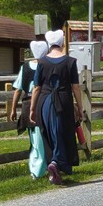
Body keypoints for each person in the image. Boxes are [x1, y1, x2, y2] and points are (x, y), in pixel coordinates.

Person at [28, 30, 84, 185]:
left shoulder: (42, 62)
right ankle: (56, 162)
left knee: (49, 133)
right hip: (63, 99)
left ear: (48, 44)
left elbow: (36, 88)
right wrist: (80, 107)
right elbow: (76, 87)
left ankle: (54, 166)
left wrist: (32, 109)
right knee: (62, 131)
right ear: (62, 43)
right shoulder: (70, 62)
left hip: (44, 101)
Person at [9, 40, 50, 178]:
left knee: (35, 140)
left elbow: (18, 90)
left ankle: (37, 169)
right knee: (42, 138)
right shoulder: (47, 66)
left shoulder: (25, 68)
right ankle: (40, 168)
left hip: (28, 104)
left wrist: (13, 108)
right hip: (43, 103)